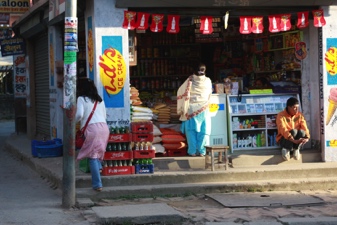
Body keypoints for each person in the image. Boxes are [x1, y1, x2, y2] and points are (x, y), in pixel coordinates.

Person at [75, 78, 109, 192]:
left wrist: (72, 122)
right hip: (104, 127)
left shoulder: (81, 99)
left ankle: (97, 184)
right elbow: (105, 115)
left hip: (92, 129)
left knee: (93, 157)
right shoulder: (100, 100)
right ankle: (98, 168)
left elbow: (79, 115)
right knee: (99, 151)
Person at [177, 63, 213, 157]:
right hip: (204, 109)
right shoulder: (208, 81)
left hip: (191, 110)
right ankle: (202, 152)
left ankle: (192, 152)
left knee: (191, 132)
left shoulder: (189, 80)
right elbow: (209, 93)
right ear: (205, 71)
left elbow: (180, 92)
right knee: (203, 131)